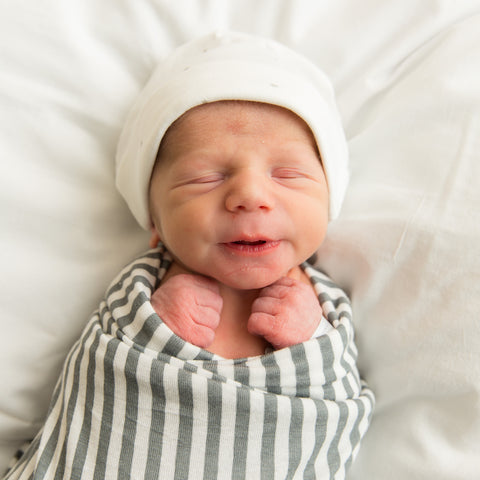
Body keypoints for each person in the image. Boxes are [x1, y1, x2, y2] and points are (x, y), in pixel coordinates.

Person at [5, 31, 373, 480]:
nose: (250, 195)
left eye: (288, 174)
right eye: (205, 178)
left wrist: (314, 337)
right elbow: (101, 372)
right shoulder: (141, 292)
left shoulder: (325, 307)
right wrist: (152, 327)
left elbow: (339, 397)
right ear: (154, 222)